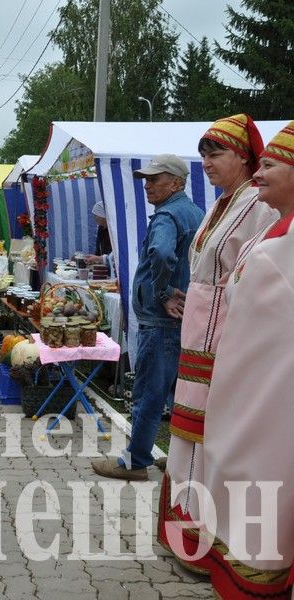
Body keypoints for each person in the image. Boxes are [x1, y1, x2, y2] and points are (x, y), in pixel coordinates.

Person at [158, 114, 277, 572]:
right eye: (203, 154)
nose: (206, 162)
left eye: (217, 153)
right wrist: (189, 297)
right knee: (189, 433)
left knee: (211, 435)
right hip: (199, 332)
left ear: (245, 157)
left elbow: (253, 273)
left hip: (225, 337)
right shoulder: (220, 203)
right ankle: (182, 534)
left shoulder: (260, 204)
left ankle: (202, 542)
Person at [192, 121, 294, 600]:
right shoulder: (259, 224)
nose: (260, 176)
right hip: (227, 358)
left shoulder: (272, 233)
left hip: (266, 387)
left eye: (270, 165)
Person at [92, 154, 204, 481]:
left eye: (155, 179)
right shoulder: (195, 212)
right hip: (185, 318)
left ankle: (135, 461)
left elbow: (162, 253)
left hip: (161, 320)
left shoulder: (167, 215)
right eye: (146, 179)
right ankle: (181, 461)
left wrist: (162, 292)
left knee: (149, 394)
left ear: (176, 182)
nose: (147, 185)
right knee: (180, 394)